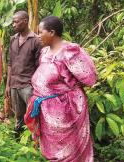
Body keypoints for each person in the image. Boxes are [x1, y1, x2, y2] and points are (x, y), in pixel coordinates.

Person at [24, 16, 97, 161]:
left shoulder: (70, 51)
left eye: (41, 32)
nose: (38, 36)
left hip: (66, 109)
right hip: (46, 110)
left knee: (69, 149)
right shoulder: (45, 52)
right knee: (51, 148)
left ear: (51, 32)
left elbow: (89, 76)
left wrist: (65, 92)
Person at [5, 11, 42, 138]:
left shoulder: (36, 41)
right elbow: (10, 63)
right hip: (14, 84)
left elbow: (39, 66)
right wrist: (8, 85)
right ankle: (17, 141)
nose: (13, 24)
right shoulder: (13, 39)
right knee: (18, 116)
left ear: (25, 21)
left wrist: (35, 86)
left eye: (16, 21)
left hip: (28, 86)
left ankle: (34, 142)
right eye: (13, 21)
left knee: (32, 115)